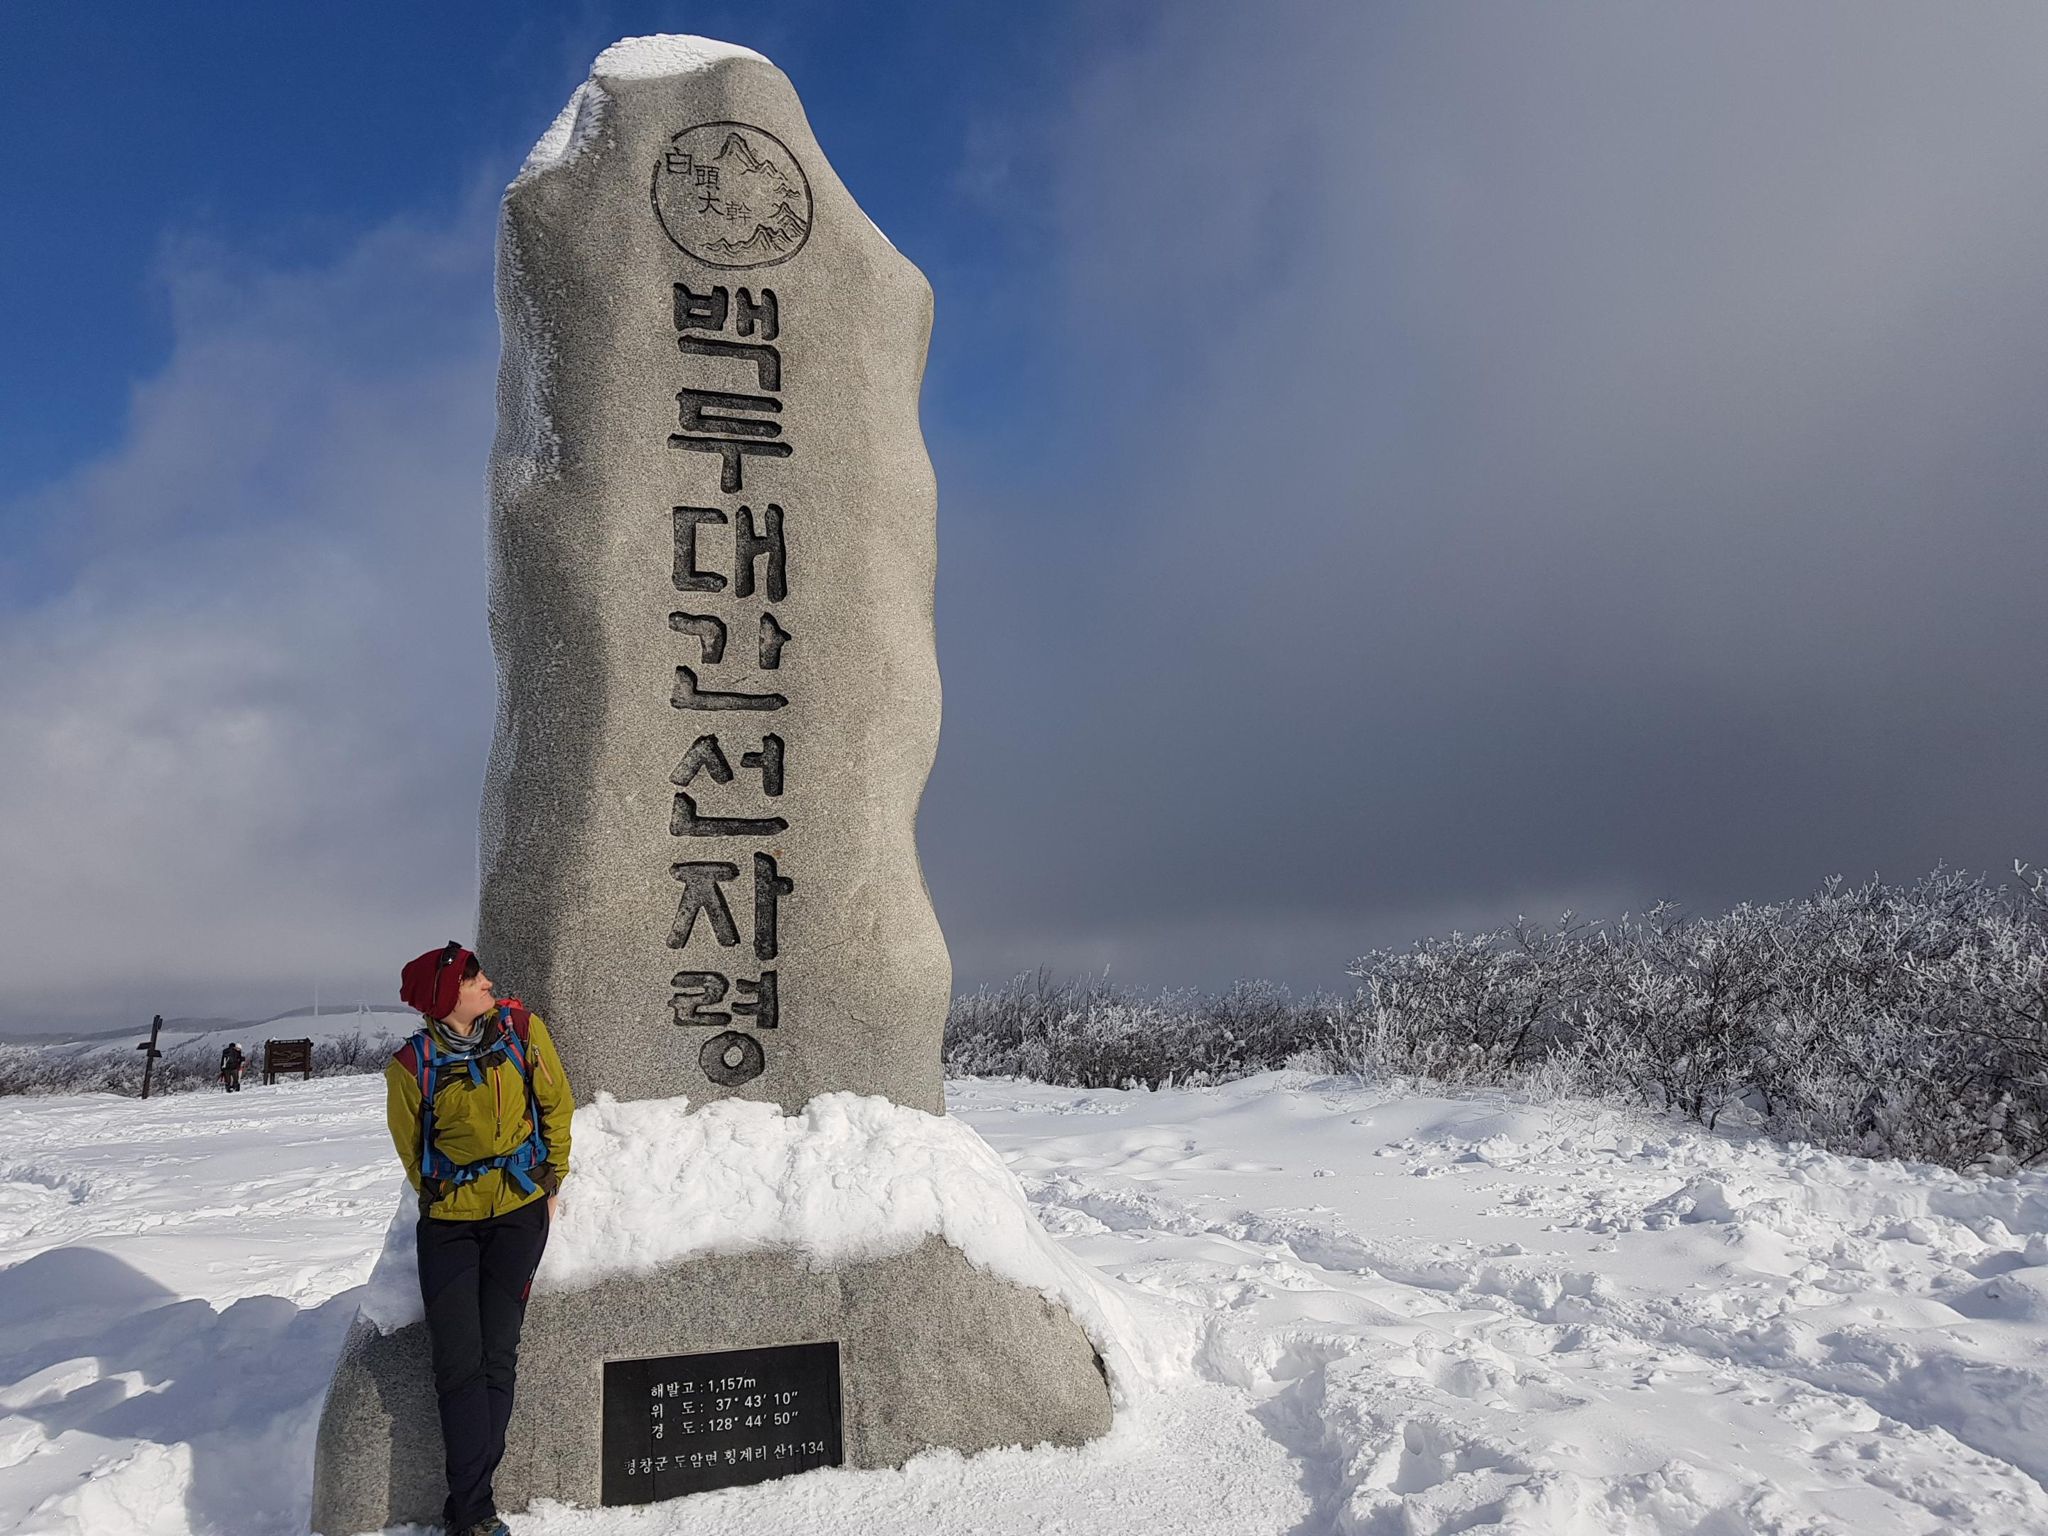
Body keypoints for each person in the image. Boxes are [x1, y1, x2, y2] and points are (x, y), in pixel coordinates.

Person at [390, 942, 573, 1536]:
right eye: (474, 979)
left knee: (498, 1355)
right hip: (449, 1226)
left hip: (519, 1214)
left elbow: (557, 1105)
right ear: (447, 999)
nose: (488, 982)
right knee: (457, 1364)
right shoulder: (411, 1065)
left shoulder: (520, 1031)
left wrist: (551, 1176)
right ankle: (471, 1505)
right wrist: (449, 1195)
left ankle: (471, 1510)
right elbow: (412, 1150)